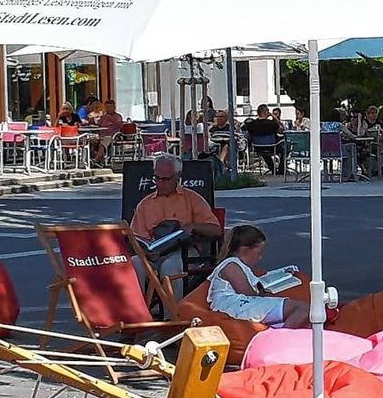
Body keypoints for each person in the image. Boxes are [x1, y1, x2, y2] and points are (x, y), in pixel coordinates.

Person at [130, 155, 223, 298]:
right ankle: (138, 313)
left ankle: (172, 315)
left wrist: (194, 226)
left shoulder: (192, 199)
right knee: (135, 263)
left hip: (184, 251)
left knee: (170, 266)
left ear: (178, 176)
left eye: (166, 179)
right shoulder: (145, 204)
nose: (160, 183)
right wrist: (145, 251)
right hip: (153, 253)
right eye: (157, 178)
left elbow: (216, 229)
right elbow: (137, 237)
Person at [207, 225, 310, 328]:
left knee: (303, 311)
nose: (260, 258)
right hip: (235, 305)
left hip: (241, 303)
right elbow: (247, 292)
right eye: (259, 253)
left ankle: (281, 328)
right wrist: (264, 294)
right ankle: (280, 335)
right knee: (304, 309)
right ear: (245, 250)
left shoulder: (238, 265)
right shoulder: (231, 265)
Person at [243, 104, 286, 175]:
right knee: (283, 149)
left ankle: (273, 169)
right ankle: (281, 170)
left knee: (264, 150)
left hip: (257, 147)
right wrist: (274, 117)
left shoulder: (251, 124)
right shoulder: (272, 124)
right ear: (266, 112)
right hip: (272, 147)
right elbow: (282, 128)